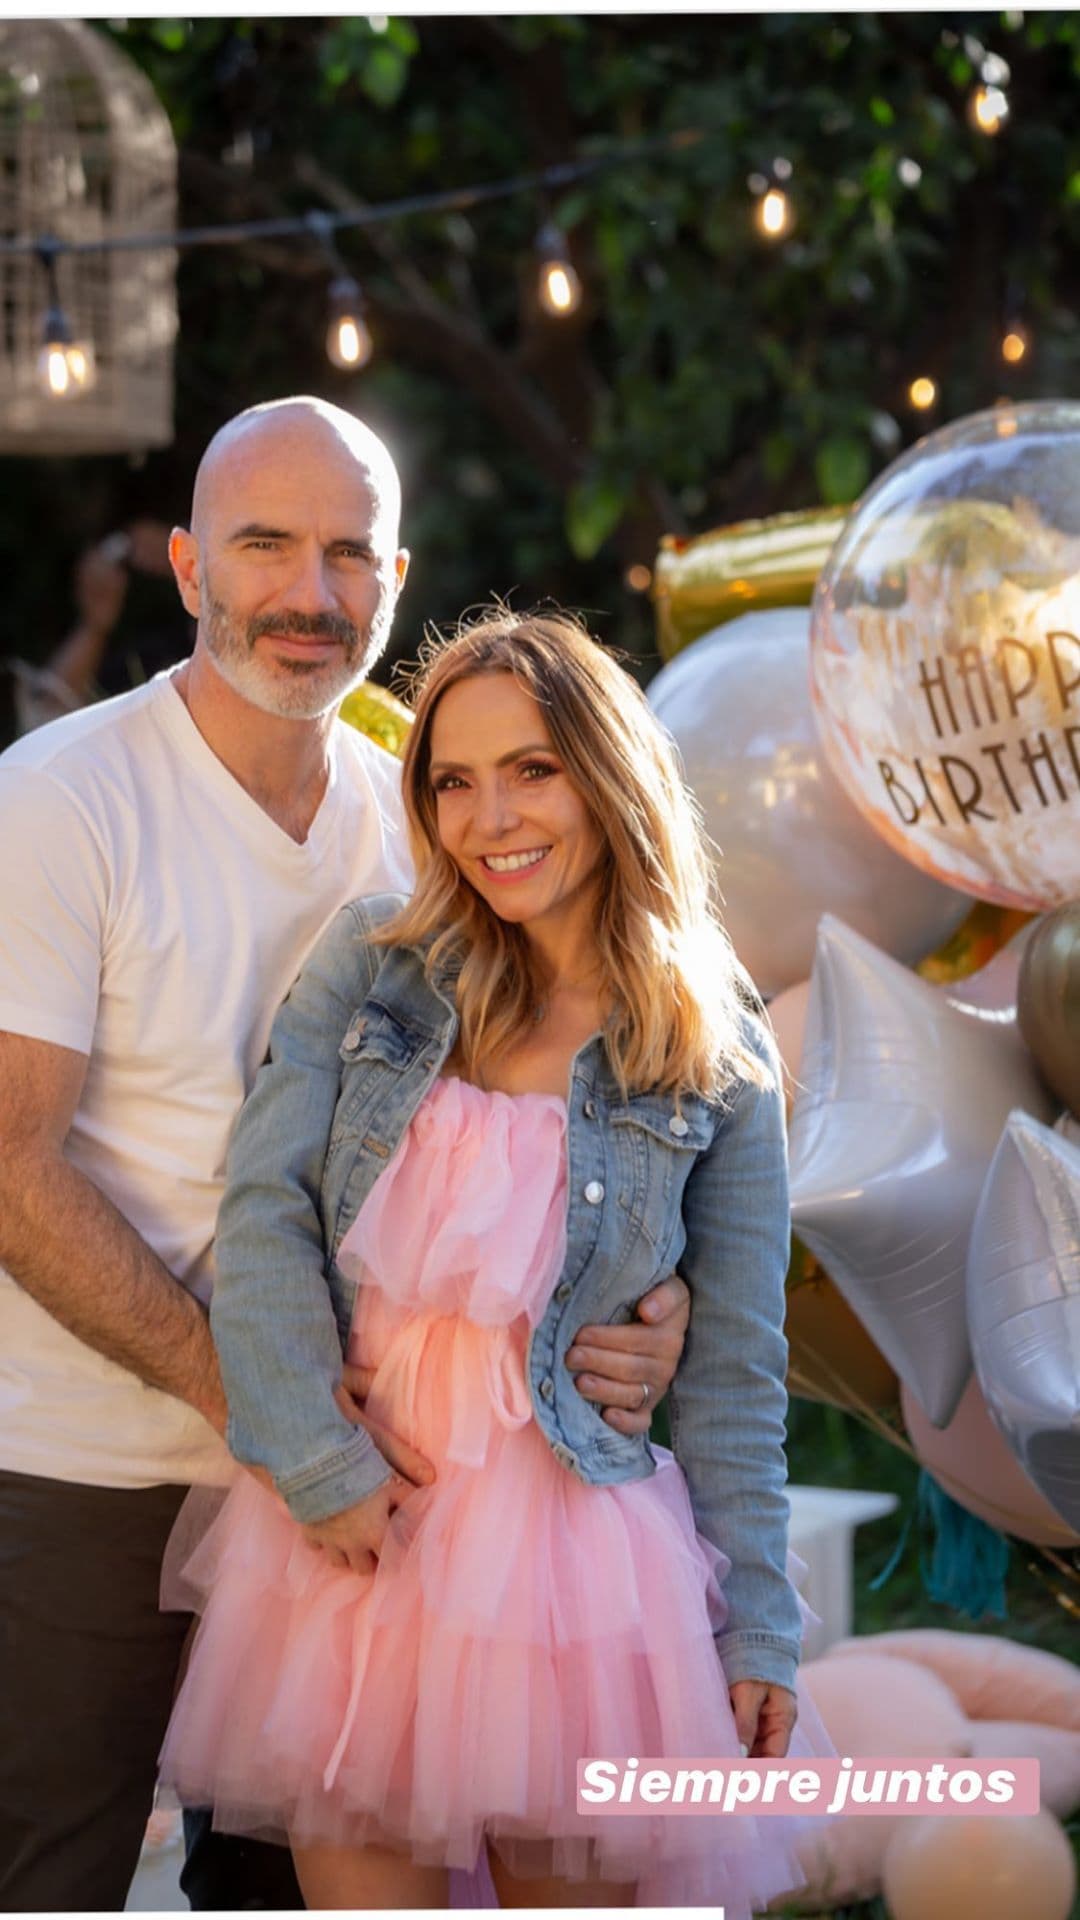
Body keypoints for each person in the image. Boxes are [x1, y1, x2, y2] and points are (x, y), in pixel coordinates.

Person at [0, 399, 690, 1914]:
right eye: (265, 545)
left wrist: (650, 1306)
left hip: (372, 1495)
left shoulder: (428, 829)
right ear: (189, 565)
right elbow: (11, 1171)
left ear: (397, 578)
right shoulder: (57, 803)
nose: (310, 594)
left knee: (297, 1895)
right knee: (47, 1881)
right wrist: (264, 1406)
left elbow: (558, 1116)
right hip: (95, 1468)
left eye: (349, 553)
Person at [157, 607, 828, 1915]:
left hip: (579, 1571)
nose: (490, 818)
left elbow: (739, 1368)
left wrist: (759, 1619)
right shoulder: (377, 968)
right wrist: (316, 1461)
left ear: (609, 775)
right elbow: (265, 1213)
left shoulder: (710, 1038)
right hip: (357, 1539)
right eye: (452, 782)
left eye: (532, 770)